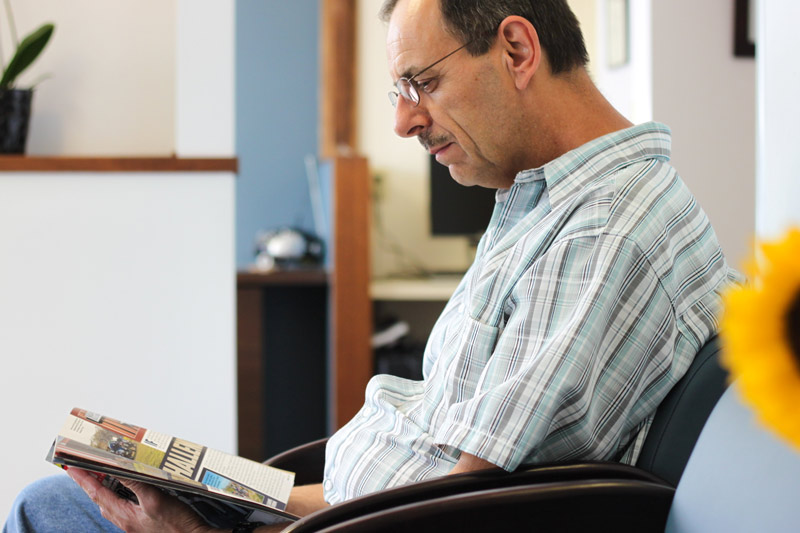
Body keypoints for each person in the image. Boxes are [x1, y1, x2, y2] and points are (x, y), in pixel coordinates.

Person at [4, 0, 740, 531]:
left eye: (421, 82)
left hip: (367, 525)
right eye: (399, 89)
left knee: (45, 509)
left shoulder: (602, 234)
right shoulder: (546, 202)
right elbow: (438, 464)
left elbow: (453, 511)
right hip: (345, 510)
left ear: (517, 50)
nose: (403, 119)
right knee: (72, 492)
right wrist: (215, 481)